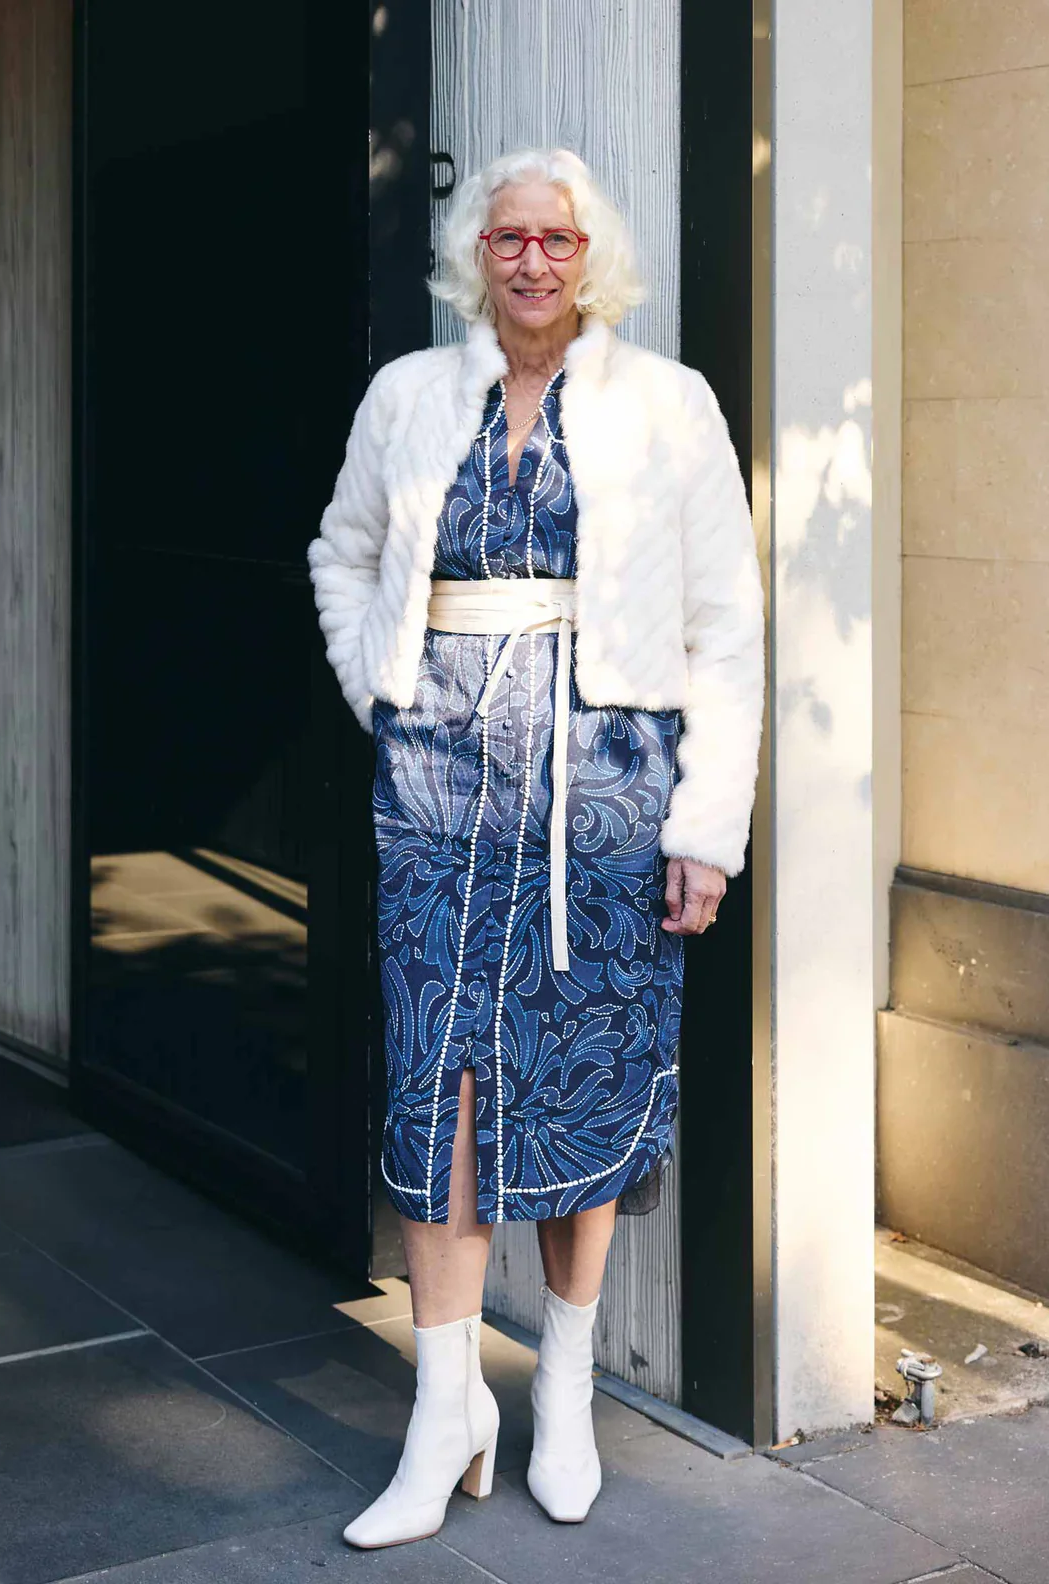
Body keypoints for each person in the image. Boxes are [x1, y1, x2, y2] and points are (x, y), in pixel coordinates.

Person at [307, 146, 764, 1549]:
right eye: (509, 238)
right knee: (436, 1075)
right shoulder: (407, 395)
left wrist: (707, 827)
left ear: (590, 257)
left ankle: (563, 1391)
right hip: (438, 783)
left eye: (557, 240)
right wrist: (383, 690)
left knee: (582, 1075)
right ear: (476, 255)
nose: (532, 261)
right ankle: (445, 1412)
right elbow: (343, 554)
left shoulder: (671, 406)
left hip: (607, 790)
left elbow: (726, 631)